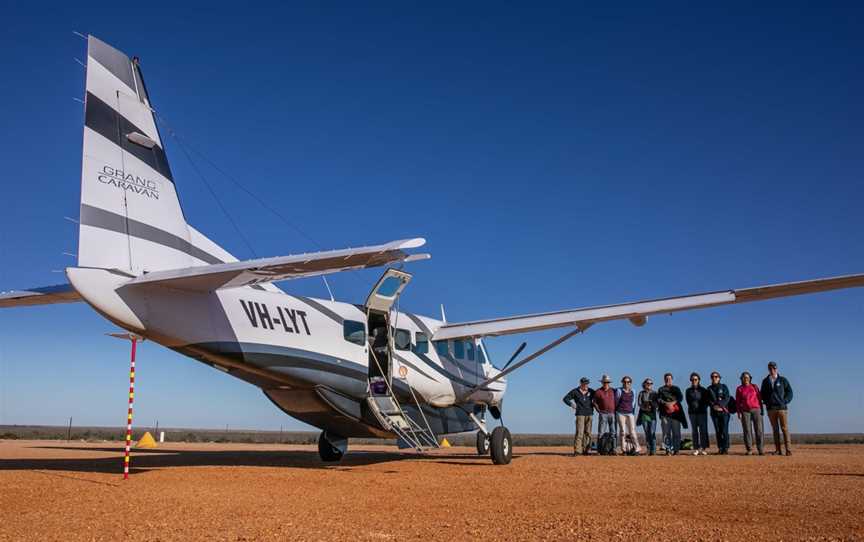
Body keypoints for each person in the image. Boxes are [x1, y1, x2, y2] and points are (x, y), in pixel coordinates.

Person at [760, 361, 794, 456]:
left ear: (776, 369)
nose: (772, 370)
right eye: (770, 368)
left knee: (784, 429)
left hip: (782, 409)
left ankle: (788, 450)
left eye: (774, 368)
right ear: (768, 369)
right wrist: (766, 402)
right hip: (771, 409)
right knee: (775, 430)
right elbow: (762, 394)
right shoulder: (765, 381)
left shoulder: (783, 380)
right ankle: (778, 450)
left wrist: (785, 401)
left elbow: (790, 392)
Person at [562, 377, 594, 455]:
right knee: (579, 432)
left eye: (587, 383)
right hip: (580, 414)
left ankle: (586, 450)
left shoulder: (591, 391)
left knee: (588, 433)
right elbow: (565, 398)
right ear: (580, 383)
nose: (586, 385)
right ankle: (578, 450)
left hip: (590, 414)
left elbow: (598, 398)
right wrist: (571, 404)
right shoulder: (575, 391)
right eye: (584, 383)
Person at [657, 373, 687, 455]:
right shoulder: (661, 389)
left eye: (669, 378)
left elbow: (680, 398)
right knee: (666, 433)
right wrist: (666, 403)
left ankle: (676, 450)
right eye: (666, 378)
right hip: (664, 414)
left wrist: (673, 403)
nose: (668, 380)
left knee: (676, 433)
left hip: (676, 415)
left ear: (672, 379)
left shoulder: (676, 388)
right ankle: (668, 449)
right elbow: (658, 399)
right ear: (664, 380)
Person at [736, 371, 764, 455]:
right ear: (741, 379)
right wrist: (739, 412)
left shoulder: (754, 387)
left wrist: (761, 409)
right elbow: (737, 402)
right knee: (747, 430)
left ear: (750, 378)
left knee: (759, 429)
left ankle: (760, 449)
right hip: (745, 411)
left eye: (747, 377)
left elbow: (759, 398)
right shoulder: (739, 388)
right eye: (744, 377)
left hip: (756, 409)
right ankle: (749, 449)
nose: (746, 379)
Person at [685, 372, 710, 455]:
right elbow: (688, 401)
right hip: (692, 413)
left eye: (695, 379)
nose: (694, 381)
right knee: (694, 431)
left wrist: (702, 408)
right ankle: (696, 448)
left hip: (702, 413)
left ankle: (703, 448)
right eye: (692, 380)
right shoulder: (688, 391)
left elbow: (706, 401)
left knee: (703, 431)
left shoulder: (703, 390)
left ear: (699, 380)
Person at [707, 371, 732, 454]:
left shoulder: (724, 387)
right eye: (712, 377)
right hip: (714, 413)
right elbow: (708, 400)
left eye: (716, 376)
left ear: (719, 378)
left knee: (724, 430)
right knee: (718, 431)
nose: (714, 378)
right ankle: (720, 448)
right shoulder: (709, 388)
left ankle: (725, 448)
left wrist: (720, 406)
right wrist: (714, 406)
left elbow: (727, 398)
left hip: (724, 412)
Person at [615, 376, 641, 454]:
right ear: (622, 382)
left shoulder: (633, 391)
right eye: (625, 382)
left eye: (628, 382)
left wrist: (632, 412)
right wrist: (617, 411)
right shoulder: (619, 391)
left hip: (630, 413)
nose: (626, 383)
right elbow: (616, 401)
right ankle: (624, 450)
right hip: (621, 413)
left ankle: (637, 448)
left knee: (632, 431)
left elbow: (633, 403)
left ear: (630, 383)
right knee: (623, 431)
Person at [593, 374, 617, 451]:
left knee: (613, 432)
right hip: (603, 414)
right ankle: (599, 450)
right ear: (602, 382)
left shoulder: (613, 391)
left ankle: (613, 449)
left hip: (612, 414)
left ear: (609, 383)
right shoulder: (598, 391)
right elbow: (594, 402)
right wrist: (598, 410)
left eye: (607, 382)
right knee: (601, 432)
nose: (606, 383)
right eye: (604, 382)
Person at [636, 378, 658, 455]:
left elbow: (657, 404)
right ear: (644, 384)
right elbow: (639, 403)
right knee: (647, 433)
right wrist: (645, 407)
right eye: (648, 383)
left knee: (652, 432)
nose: (649, 385)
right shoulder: (641, 393)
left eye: (651, 383)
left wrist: (652, 405)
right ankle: (648, 450)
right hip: (644, 414)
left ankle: (654, 450)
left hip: (652, 415)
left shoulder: (655, 393)